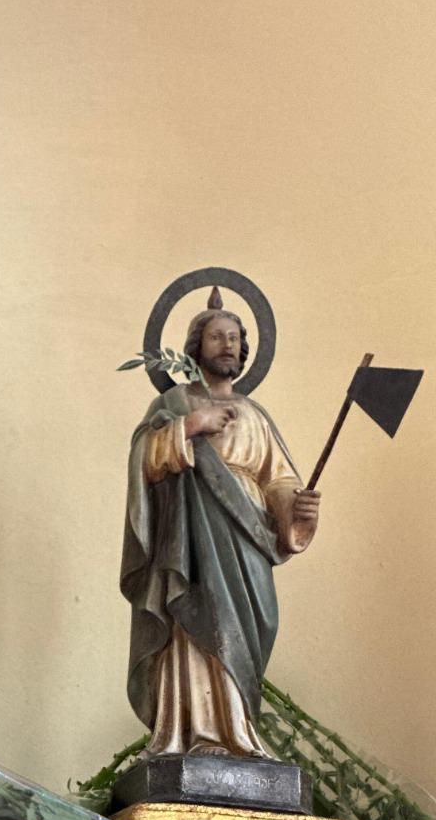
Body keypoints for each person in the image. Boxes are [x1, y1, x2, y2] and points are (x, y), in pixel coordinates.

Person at [121, 290, 321, 757]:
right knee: (193, 616)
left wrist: (297, 509)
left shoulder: (256, 417)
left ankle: (238, 732)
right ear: (196, 347)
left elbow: (278, 480)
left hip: (246, 538)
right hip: (189, 540)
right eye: (216, 337)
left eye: (234, 337)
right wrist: (190, 427)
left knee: (247, 628)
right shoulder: (175, 403)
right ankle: (193, 733)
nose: (227, 344)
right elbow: (142, 458)